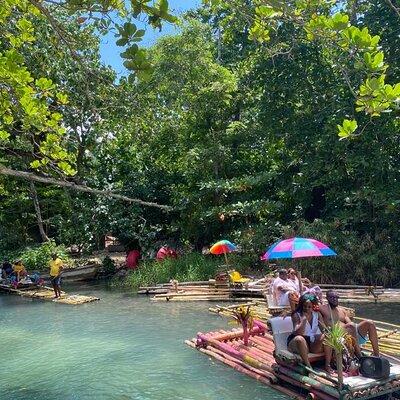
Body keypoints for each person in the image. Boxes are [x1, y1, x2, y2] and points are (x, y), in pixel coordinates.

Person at [319, 290, 380, 360]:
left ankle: (377, 355)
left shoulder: (342, 310)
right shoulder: (322, 308)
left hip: (351, 333)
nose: (335, 299)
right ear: (327, 298)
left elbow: (351, 324)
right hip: (336, 335)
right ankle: (359, 355)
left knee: (370, 323)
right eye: (332, 297)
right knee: (351, 325)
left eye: (336, 297)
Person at [287, 294, 332, 371]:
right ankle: (308, 366)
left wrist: (329, 331)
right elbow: (298, 332)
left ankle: (328, 365)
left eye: (309, 307)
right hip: (296, 342)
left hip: (311, 342)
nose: (307, 309)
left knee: (327, 336)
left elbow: (324, 329)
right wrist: (304, 319)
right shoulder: (296, 315)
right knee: (299, 339)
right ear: (301, 305)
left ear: (313, 306)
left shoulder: (317, 314)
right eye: (305, 306)